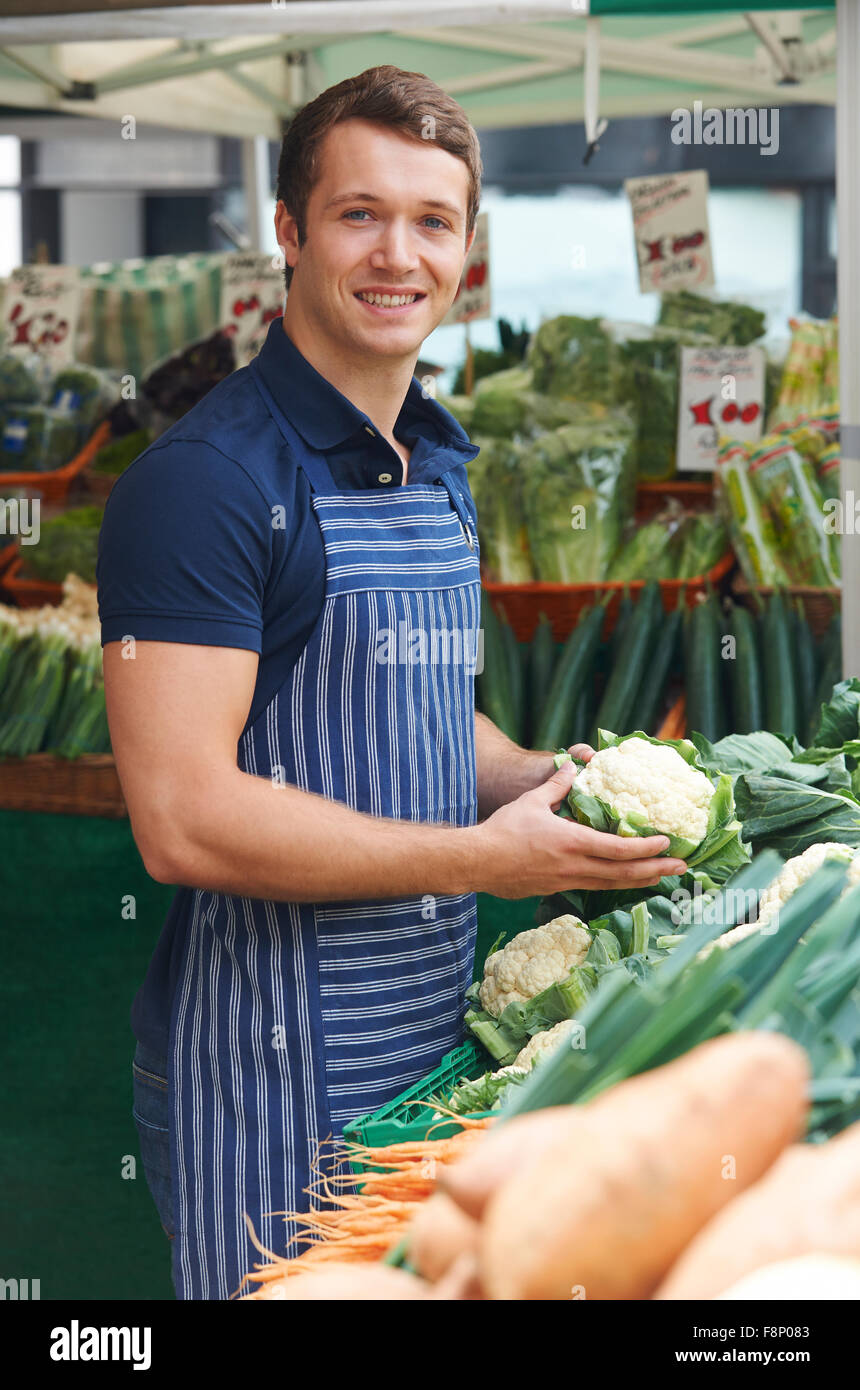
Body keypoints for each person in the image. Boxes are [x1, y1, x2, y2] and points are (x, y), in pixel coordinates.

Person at [98, 64, 685, 1301]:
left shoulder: (433, 461)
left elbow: (407, 711)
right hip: (264, 1074)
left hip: (435, 1051)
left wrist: (540, 779)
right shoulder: (202, 482)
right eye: (359, 212)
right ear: (290, 230)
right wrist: (486, 858)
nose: (396, 254)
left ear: (466, 253)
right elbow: (184, 817)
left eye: (432, 222)